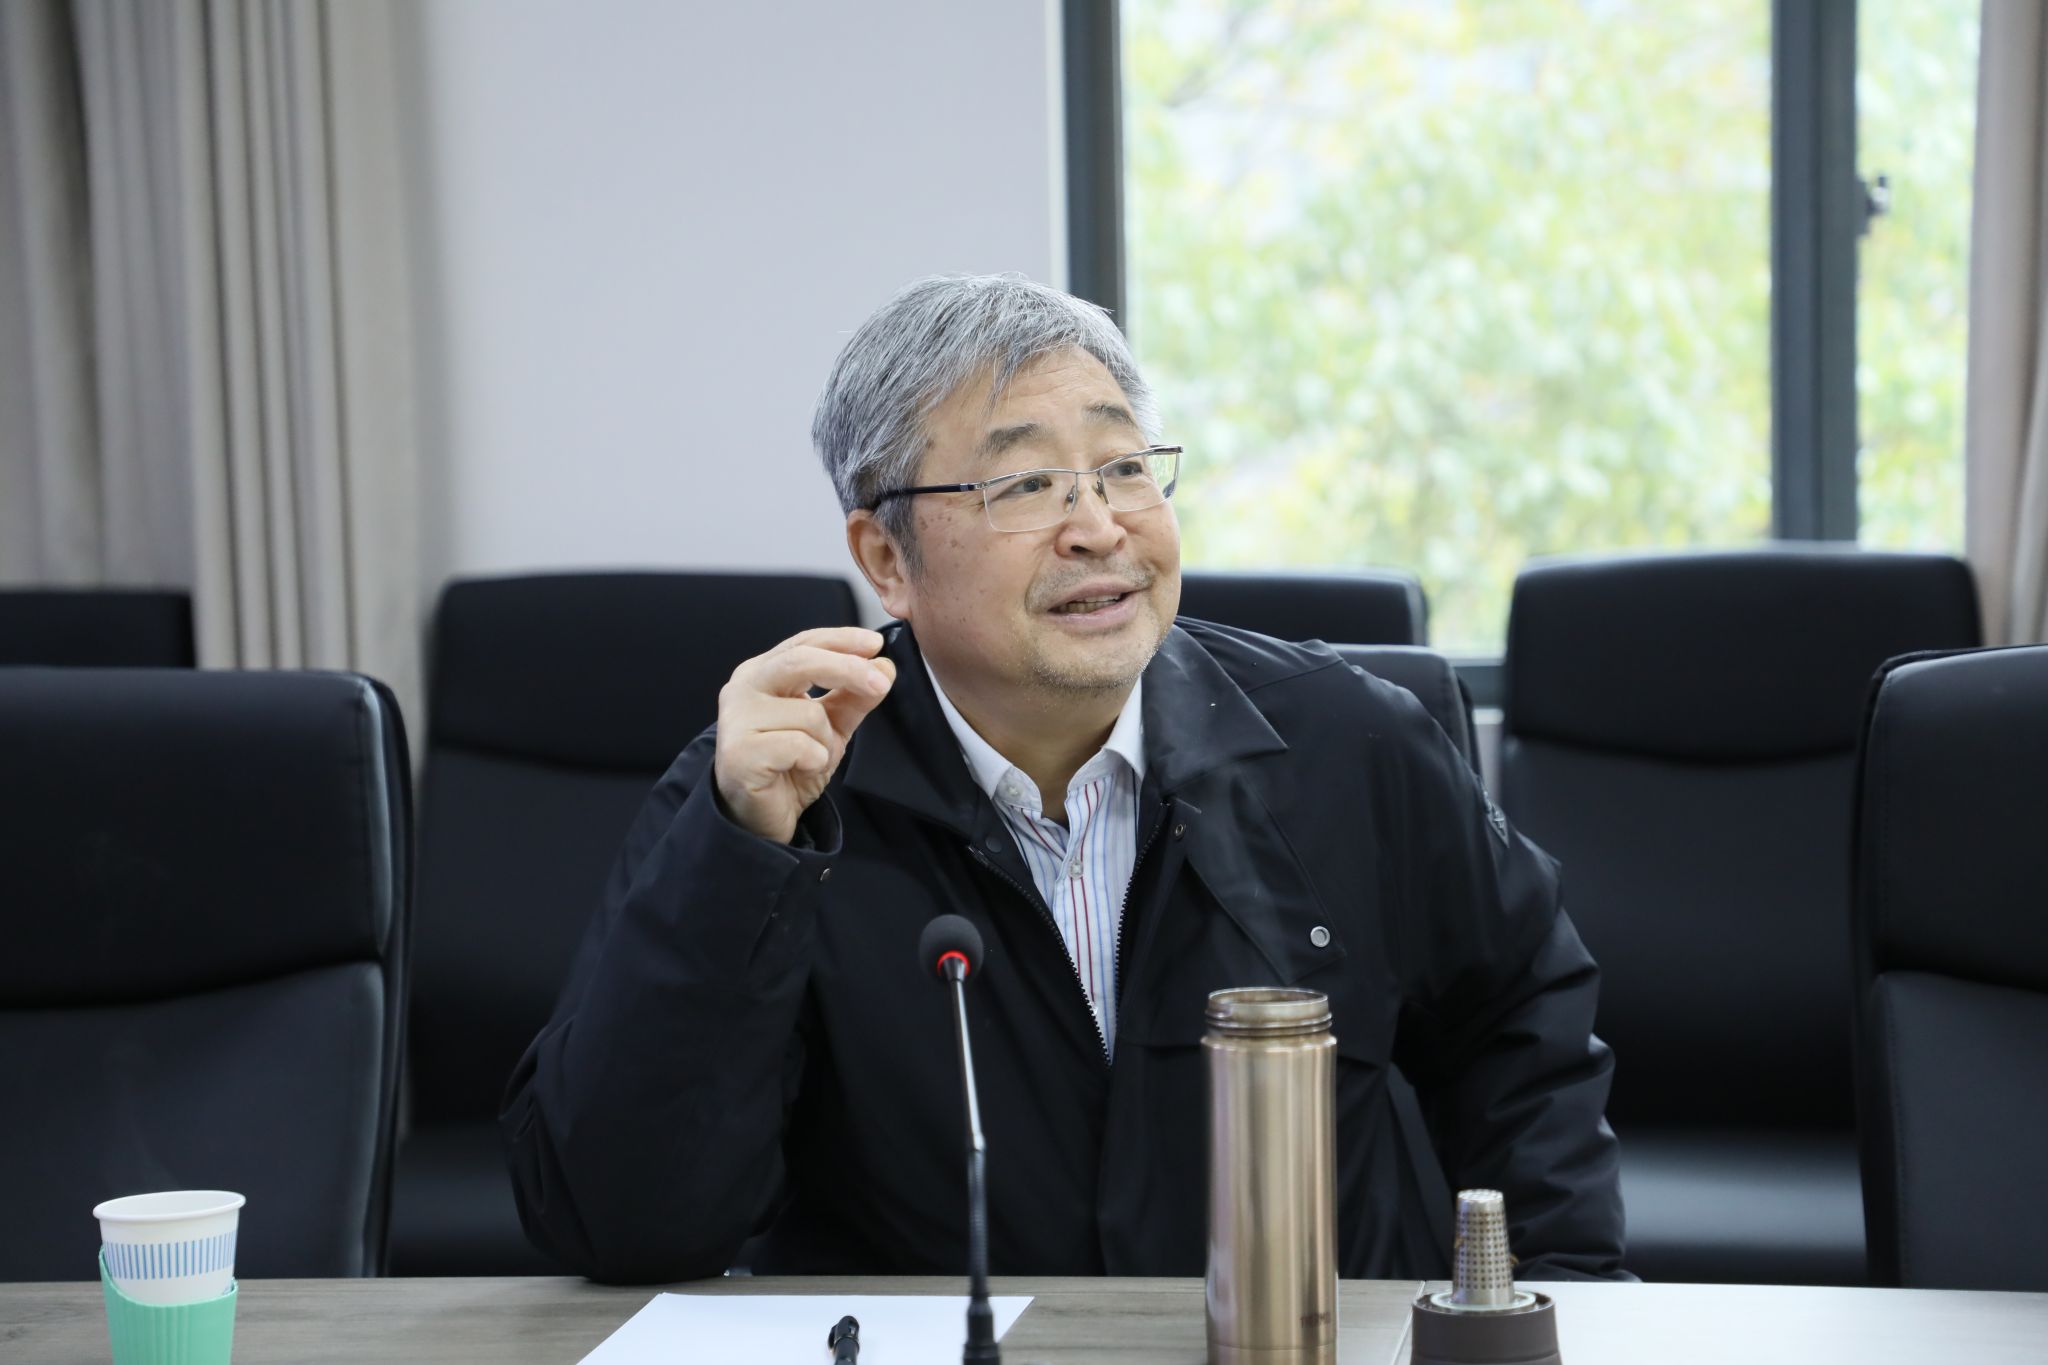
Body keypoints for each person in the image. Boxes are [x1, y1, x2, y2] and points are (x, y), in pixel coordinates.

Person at [501, 274, 1627, 1283]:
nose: (1097, 528)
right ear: (886, 558)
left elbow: (1520, 1030)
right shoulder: (778, 792)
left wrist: (1558, 1301)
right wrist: (739, 862)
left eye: (1124, 467)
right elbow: (620, 1223)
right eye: (1027, 483)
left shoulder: (1348, 742)